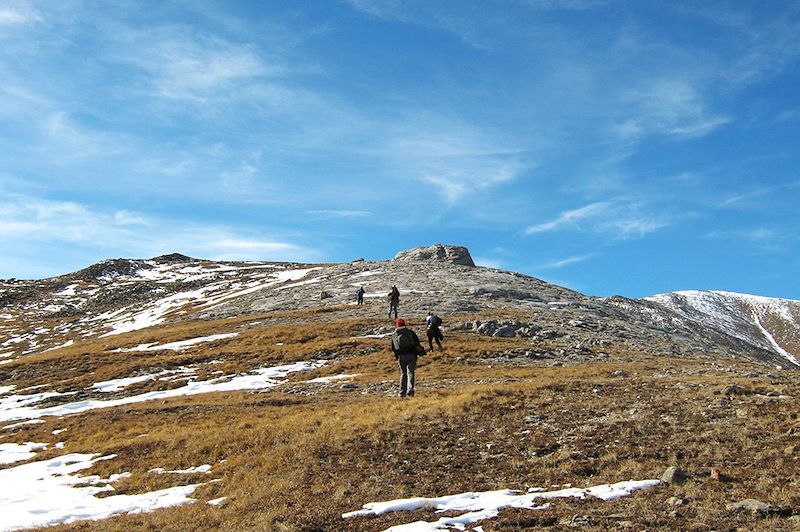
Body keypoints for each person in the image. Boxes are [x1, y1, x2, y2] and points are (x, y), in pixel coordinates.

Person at [390, 319, 423, 397]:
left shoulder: (395, 334)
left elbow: (393, 347)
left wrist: (397, 356)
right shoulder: (410, 332)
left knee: (403, 373)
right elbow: (417, 343)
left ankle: (402, 392)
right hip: (411, 355)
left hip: (401, 356)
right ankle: (410, 389)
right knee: (410, 372)